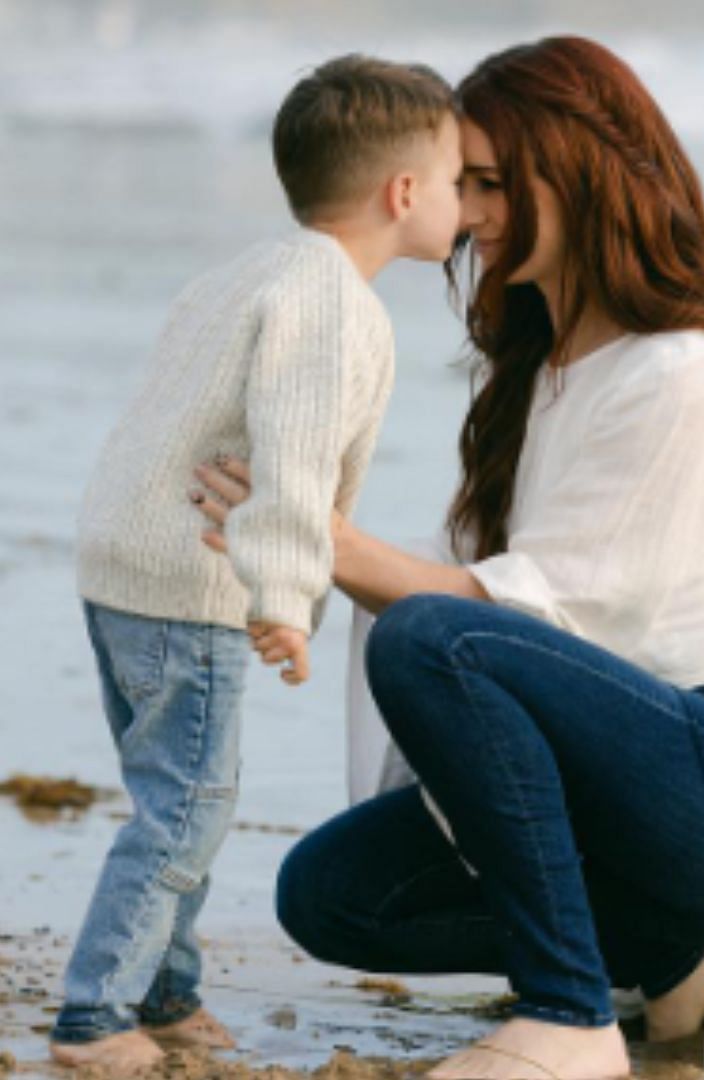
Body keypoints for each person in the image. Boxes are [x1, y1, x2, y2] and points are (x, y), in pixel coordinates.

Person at [190, 36, 704, 1080]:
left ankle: (570, 1015)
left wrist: (316, 538)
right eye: (464, 185)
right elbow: (508, 617)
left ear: (579, 176)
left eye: (493, 183)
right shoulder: (538, 367)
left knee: (430, 639)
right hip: (634, 766)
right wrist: (282, 527)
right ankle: (672, 956)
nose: (472, 214)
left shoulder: (686, 370)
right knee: (331, 895)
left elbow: (535, 624)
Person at [53, 56, 462, 1072]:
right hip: (190, 580)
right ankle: (94, 1017)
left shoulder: (248, 269)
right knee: (186, 806)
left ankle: (167, 992)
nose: (467, 204)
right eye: (460, 180)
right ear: (403, 192)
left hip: (119, 562)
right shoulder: (330, 302)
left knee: (172, 793)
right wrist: (283, 596)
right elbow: (289, 459)